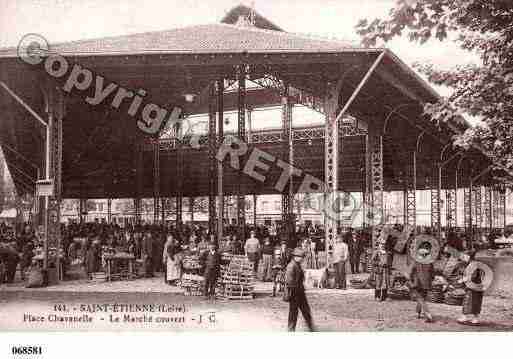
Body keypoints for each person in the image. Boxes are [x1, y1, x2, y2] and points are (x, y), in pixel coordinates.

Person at [285, 248, 315, 332]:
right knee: (293, 313)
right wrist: (295, 289)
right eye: (301, 257)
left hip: (300, 292)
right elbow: (289, 281)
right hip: (294, 292)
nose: (302, 259)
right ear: (296, 256)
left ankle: (311, 328)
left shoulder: (297, 264)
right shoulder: (291, 266)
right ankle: (290, 330)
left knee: (306, 311)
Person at [406, 246, 434, 322]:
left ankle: (428, 314)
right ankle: (417, 312)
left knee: (420, 299)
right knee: (422, 298)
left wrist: (409, 280)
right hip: (427, 284)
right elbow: (432, 274)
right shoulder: (430, 263)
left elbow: (410, 273)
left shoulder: (416, 262)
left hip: (417, 283)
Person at [458, 250, 485, 325]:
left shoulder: (472, 265)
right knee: (476, 302)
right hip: (478, 286)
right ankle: (475, 319)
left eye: (465, 256)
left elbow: (472, 276)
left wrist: (462, 280)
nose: (464, 258)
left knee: (467, 301)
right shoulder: (475, 264)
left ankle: (464, 317)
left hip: (472, 287)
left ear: (469, 257)